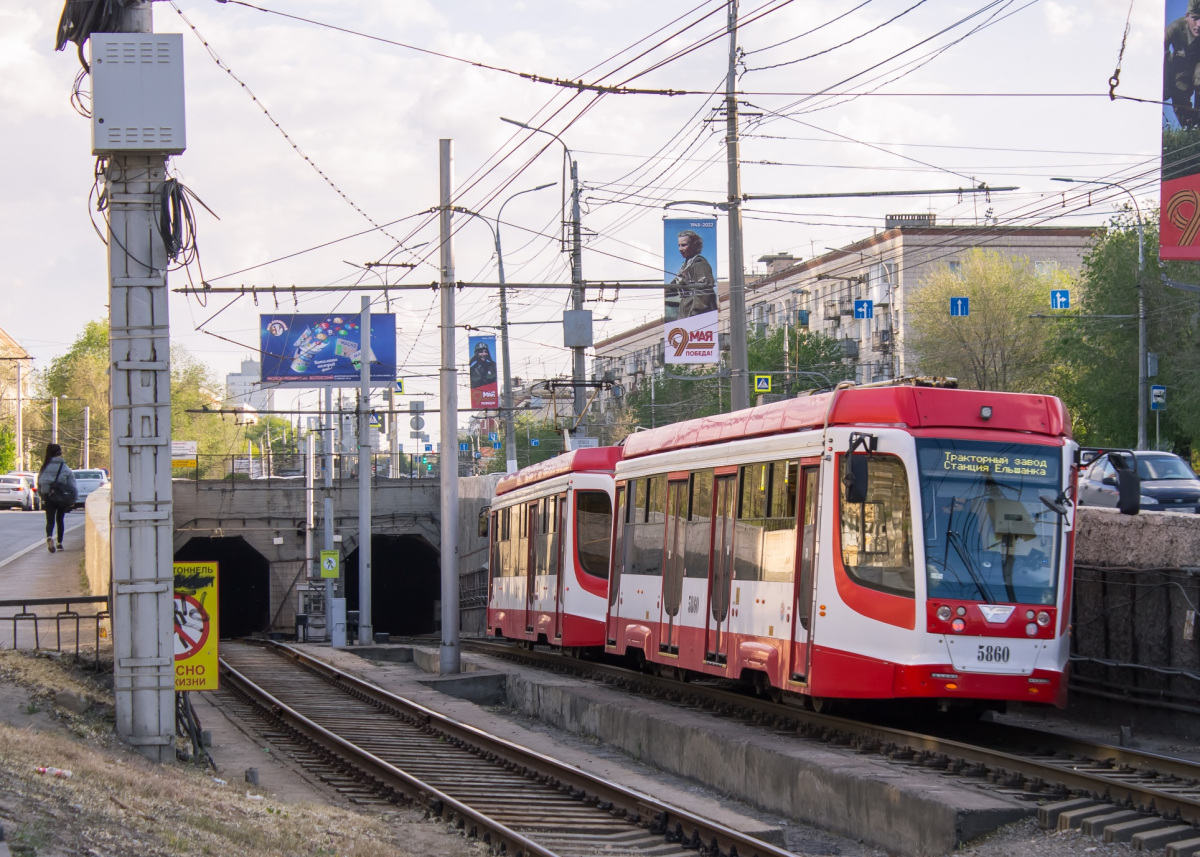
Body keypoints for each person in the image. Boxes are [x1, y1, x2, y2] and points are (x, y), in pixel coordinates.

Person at [665, 230, 717, 322]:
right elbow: (673, 286)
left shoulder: (700, 264)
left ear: (694, 245)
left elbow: (704, 292)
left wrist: (694, 315)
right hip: (686, 310)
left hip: (698, 315)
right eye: (679, 245)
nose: (680, 249)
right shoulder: (686, 265)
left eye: (684, 245)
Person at [1165, 0, 1200, 129]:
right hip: (1181, 66)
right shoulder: (1174, 28)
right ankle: (1189, 126)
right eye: (1195, 18)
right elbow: (1159, 50)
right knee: (1179, 90)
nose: (1199, 24)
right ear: (1187, 16)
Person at [37, 443, 77, 554]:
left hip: (49, 497)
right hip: (62, 497)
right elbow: (72, 484)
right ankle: (59, 543)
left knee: (49, 520)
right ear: (59, 453)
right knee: (60, 519)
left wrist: (43, 495)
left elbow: (40, 483)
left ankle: (49, 536)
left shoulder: (44, 467)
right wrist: (73, 499)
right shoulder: (64, 467)